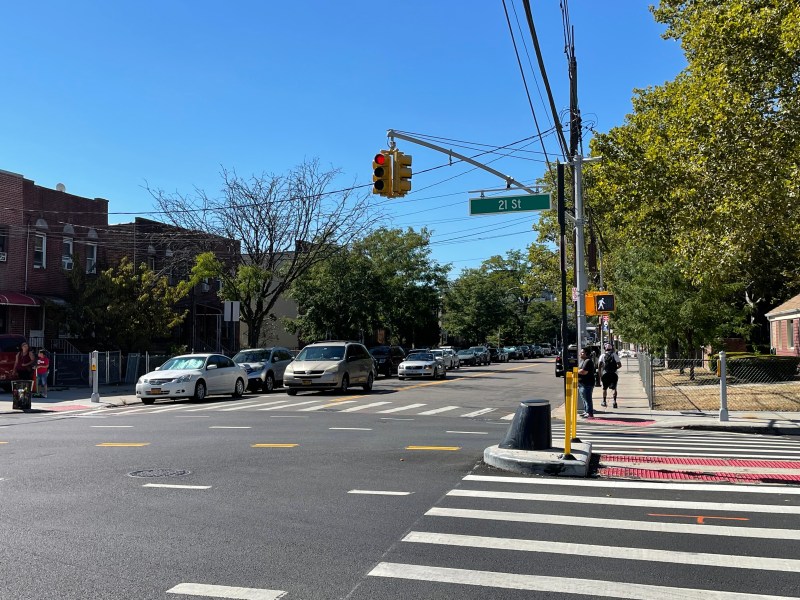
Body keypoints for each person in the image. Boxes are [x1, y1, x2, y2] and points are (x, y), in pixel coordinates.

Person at [599, 343, 621, 409]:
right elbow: (619, 365)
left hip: (605, 374)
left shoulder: (602, 356)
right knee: (614, 388)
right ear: (611, 348)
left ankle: (604, 401)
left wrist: (600, 375)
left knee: (604, 388)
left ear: (605, 348)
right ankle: (614, 402)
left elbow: (599, 366)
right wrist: (614, 369)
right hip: (614, 374)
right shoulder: (615, 355)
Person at [577, 347, 596, 418]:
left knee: (588, 399)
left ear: (586, 353)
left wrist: (576, 371)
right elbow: (580, 370)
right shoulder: (583, 361)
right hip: (582, 383)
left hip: (587, 383)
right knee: (584, 399)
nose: (580, 353)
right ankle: (586, 411)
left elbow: (584, 372)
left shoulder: (588, 361)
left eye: (582, 352)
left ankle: (590, 413)